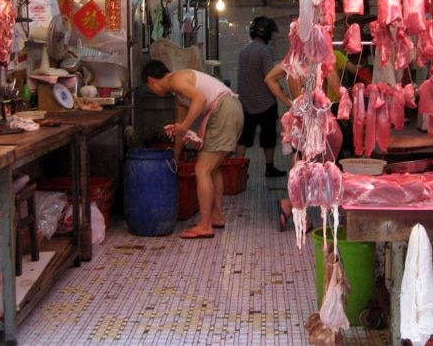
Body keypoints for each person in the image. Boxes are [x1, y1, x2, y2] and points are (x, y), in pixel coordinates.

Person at [141, 60, 244, 239]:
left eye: (149, 87)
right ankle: (216, 216)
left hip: (224, 111)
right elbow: (180, 130)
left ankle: (205, 225)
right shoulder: (179, 96)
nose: (152, 90)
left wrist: (186, 125)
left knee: (202, 169)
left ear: (152, 81)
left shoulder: (176, 79)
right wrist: (175, 157)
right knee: (212, 169)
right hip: (232, 109)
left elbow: (200, 99)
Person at [264, 62, 343, 231]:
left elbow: (269, 78)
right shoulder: (322, 62)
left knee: (300, 163)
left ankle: (299, 213)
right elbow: (337, 89)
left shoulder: (292, 62)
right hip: (316, 119)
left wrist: (288, 102)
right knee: (317, 162)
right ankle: (291, 204)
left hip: (298, 118)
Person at [235, 16, 286, 177]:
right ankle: (269, 168)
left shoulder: (244, 51)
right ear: (267, 33)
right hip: (265, 102)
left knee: (243, 138)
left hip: (245, 102)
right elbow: (268, 76)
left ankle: (238, 170)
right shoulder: (266, 50)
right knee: (268, 138)